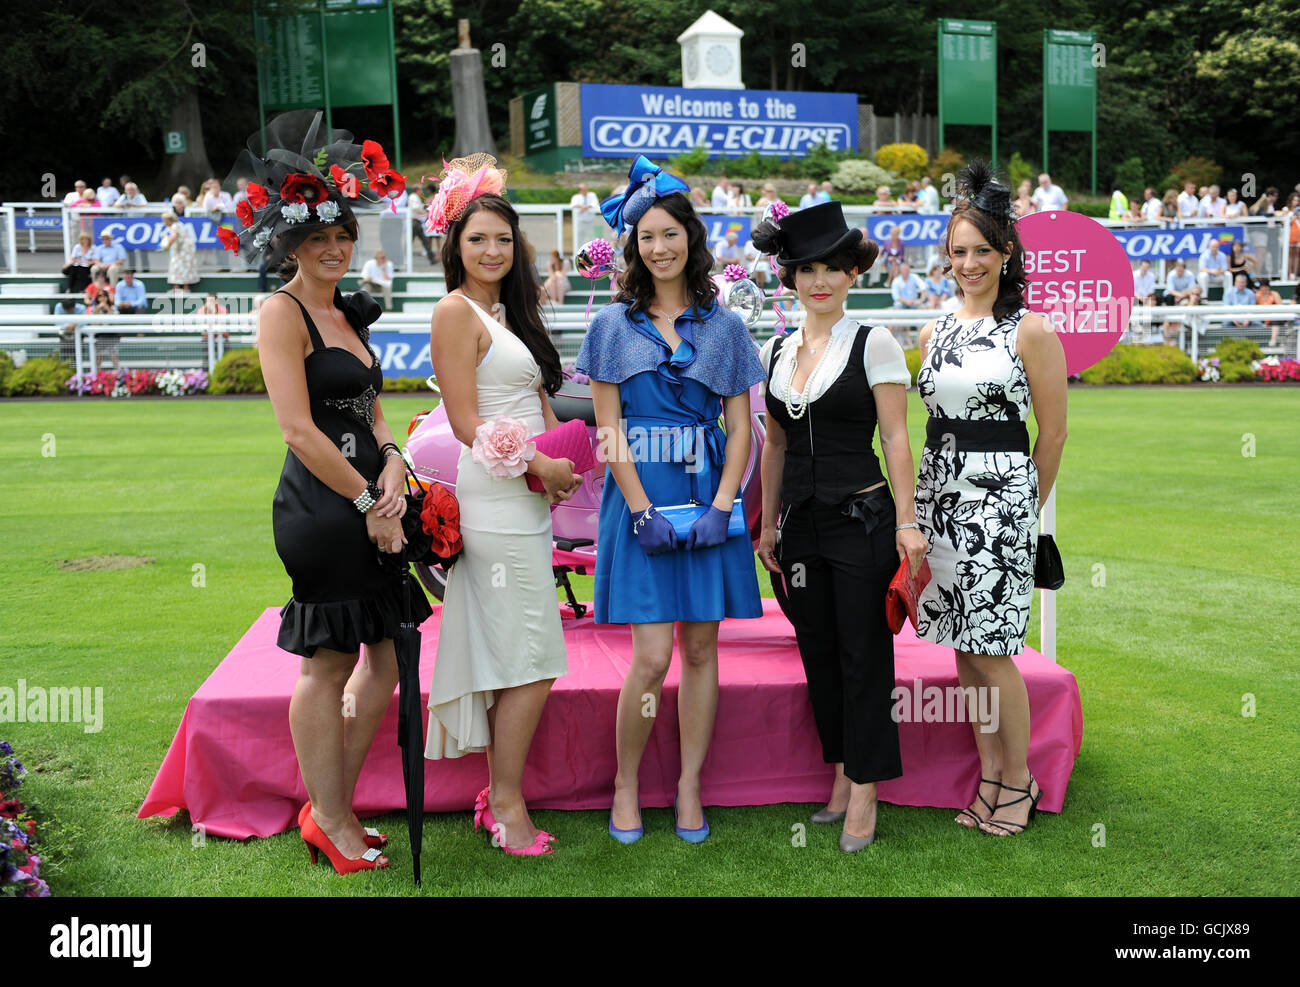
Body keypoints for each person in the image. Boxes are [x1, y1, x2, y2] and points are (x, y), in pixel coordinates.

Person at [236, 110, 430, 876]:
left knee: (382, 661)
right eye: (317, 239)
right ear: (289, 244)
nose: (333, 248)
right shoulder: (279, 312)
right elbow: (299, 430)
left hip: (372, 494)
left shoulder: (349, 311)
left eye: (343, 236)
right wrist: (368, 503)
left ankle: (333, 810)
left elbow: (372, 411)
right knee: (328, 660)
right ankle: (331, 818)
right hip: (323, 507)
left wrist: (393, 465)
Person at [575, 155, 765, 846]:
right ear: (633, 245)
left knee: (704, 649)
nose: (658, 247)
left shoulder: (728, 327)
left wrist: (723, 504)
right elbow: (608, 430)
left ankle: (690, 784)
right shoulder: (612, 326)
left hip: (708, 489)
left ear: (692, 237)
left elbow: (742, 426)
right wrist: (639, 508)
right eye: (646, 236)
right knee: (652, 656)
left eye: (669, 233)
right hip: (642, 497)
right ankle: (626, 781)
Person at [752, 201, 927, 852]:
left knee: (864, 654)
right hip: (798, 527)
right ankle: (838, 773)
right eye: (806, 269)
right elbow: (774, 445)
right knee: (818, 651)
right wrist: (768, 525)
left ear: (853, 272)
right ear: (791, 277)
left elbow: (897, 436)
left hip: (862, 519)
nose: (818, 280)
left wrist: (907, 523)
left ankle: (866, 788)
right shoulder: (775, 348)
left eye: (831, 267)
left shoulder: (873, 340)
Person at [422, 154, 579, 856]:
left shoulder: (503, 313)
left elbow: (526, 397)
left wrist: (557, 460)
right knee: (533, 656)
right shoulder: (455, 312)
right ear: (453, 244)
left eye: (504, 239)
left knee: (522, 649)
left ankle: (498, 793)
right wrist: (538, 460)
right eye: (478, 237)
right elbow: (463, 421)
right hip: (494, 495)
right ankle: (508, 803)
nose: (492, 249)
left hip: (524, 498)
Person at [915, 162, 1067, 837]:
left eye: (982, 250)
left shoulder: (1030, 331)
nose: (969, 262)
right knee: (961, 650)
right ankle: (989, 775)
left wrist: (1021, 510)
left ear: (1007, 255)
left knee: (995, 649)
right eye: (959, 251)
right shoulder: (931, 332)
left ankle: (1020, 779)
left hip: (1000, 507)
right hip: (938, 504)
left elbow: (1055, 431)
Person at [158, 211, 198, 293]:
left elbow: (174, 236)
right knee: (185, 266)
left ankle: (177, 288)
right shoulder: (179, 224)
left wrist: (167, 245)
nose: (164, 223)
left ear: (168, 220)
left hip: (182, 249)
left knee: (176, 266)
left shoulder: (174, 226)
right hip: (186, 248)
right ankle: (185, 288)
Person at [1255, 277, 1286, 347]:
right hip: (1263, 318)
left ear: (1268, 287)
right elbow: (1256, 309)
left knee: (1275, 319)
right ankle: (1278, 340)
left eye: (1265, 286)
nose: (1264, 288)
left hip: (1275, 318)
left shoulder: (1274, 294)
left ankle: (1273, 340)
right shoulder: (1257, 295)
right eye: (1262, 287)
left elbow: (1281, 308)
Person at [570, 181, 600, 254]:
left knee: (591, 238)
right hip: (580, 221)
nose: (586, 191)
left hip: (590, 221)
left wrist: (585, 207)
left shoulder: (592, 195)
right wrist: (582, 206)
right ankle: (578, 253)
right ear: (580, 190)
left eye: (586, 189)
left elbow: (595, 204)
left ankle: (591, 253)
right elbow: (572, 205)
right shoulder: (576, 197)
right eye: (584, 189)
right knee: (579, 238)